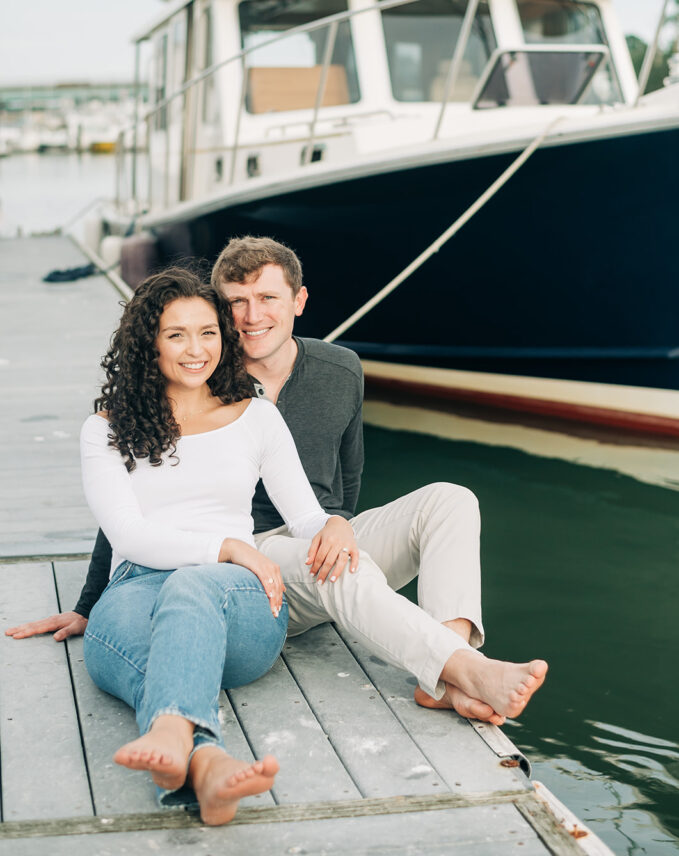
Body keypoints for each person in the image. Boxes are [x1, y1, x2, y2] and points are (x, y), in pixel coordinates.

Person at [7, 238, 548, 726]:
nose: (250, 316)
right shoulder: (204, 375)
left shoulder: (340, 370)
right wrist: (90, 600)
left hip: (312, 539)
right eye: (235, 303)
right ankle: (464, 672)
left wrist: (337, 525)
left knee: (450, 501)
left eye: (266, 298)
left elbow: (346, 480)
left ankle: (449, 670)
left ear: (298, 301)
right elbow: (146, 499)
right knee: (326, 565)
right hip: (245, 564)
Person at [11, 267, 360, 826]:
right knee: (139, 637)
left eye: (208, 332)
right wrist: (228, 545)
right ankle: (207, 764)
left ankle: (175, 735)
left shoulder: (258, 419)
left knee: (193, 583)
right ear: (149, 343)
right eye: (176, 335)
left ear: (224, 338)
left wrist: (335, 524)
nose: (196, 350)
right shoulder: (104, 430)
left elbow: (306, 518)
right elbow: (127, 536)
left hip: (236, 604)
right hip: (135, 591)